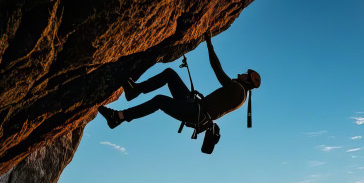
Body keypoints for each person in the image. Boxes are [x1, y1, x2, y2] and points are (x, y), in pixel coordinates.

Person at [98, 34, 261, 132]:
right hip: (194, 107)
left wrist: (209, 43)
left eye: (246, 74)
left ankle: (119, 117)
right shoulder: (240, 93)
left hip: (194, 112)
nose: (242, 73)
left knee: (160, 100)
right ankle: (135, 90)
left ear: (248, 80)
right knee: (170, 74)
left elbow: (216, 68)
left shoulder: (238, 90)